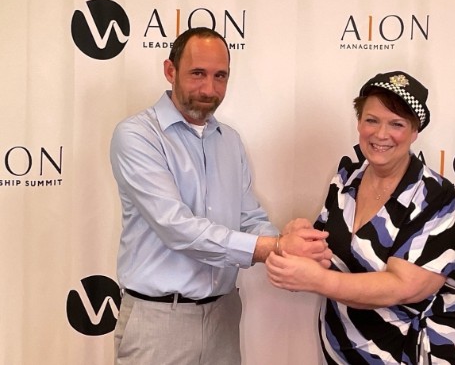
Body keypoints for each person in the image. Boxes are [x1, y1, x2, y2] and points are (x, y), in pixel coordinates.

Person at [110, 27, 331, 365]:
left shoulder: (229, 140)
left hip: (224, 315)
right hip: (158, 321)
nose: (209, 89)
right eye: (197, 74)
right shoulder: (137, 135)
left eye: (220, 76)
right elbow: (177, 228)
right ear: (170, 70)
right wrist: (274, 247)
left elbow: (249, 218)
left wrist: (288, 244)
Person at [266, 71, 455, 364]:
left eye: (397, 124)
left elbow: (404, 287)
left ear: (415, 131)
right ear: (359, 123)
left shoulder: (434, 195)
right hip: (344, 349)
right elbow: (324, 251)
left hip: (410, 352)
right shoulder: (346, 178)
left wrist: (318, 280)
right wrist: (299, 234)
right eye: (372, 120)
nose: (381, 134)